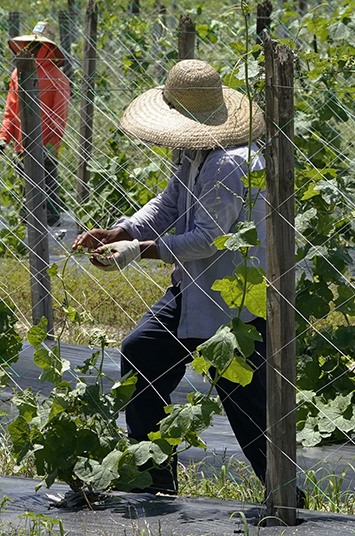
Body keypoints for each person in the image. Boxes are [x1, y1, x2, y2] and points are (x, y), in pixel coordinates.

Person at [72, 59, 270, 496]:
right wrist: (123, 231)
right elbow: (167, 205)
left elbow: (209, 238)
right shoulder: (199, 155)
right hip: (192, 289)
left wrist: (138, 251)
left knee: (248, 407)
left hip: (233, 304)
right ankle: (153, 480)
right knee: (141, 351)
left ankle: (288, 501)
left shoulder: (230, 164)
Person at [0, 20, 70, 227]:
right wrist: (4, 136)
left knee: (47, 188)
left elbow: (60, 116)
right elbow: (11, 109)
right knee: (25, 188)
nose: (32, 49)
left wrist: (52, 144)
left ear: (48, 48)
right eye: (30, 44)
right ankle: (26, 228)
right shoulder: (17, 74)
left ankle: (52, 230)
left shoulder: (58, 77)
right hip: (22, 143)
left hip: (45, 145)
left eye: (37, 45)